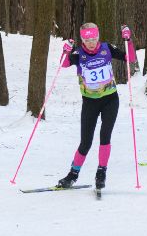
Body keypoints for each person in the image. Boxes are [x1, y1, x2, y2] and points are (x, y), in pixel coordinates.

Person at [56, 23, 134, 191]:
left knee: (105, 136)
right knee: (85, 142)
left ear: (98, 37)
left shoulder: (107, 48)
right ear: (82, 39)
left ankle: (101, 173)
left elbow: (130, 58)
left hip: (110, 100)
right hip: (90, 102)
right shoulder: (78, 53)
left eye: (93, 38)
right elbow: (63, 64)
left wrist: (128, 40)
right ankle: (72, 175)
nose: (91, 42)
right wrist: (65, 51)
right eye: (86, 39)